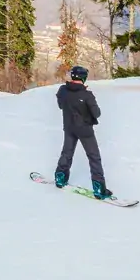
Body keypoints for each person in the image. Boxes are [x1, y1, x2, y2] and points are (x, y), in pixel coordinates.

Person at [54, 66, 112, 199]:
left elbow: (61, 104)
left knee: (67, 153)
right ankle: (99, 188)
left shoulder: (62, 90)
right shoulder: (87, 95)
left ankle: (60, 177)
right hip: (85, 130)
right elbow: (97, 113)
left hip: (69, 127)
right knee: (94, 157)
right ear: (84, 78)